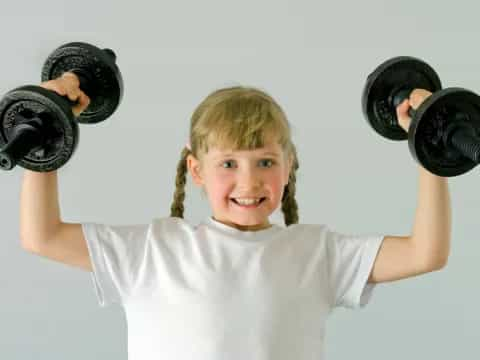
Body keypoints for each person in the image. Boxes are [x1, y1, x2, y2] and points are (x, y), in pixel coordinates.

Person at [20, 72, 451, 360]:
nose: (249, 183)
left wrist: (428, 146)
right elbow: (43, 235)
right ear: (197, 170)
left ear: (289, 165)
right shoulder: (151, 251)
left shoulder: (317, 253)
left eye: (265, 162)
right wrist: (51, 125)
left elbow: (425, 253)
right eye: (229, 164)